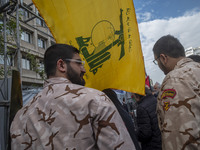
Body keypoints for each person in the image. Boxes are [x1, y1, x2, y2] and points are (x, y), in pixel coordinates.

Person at [10, 44, 136, 150]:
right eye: (79, 63)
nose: (84, 69)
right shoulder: (95, 100)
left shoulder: (20, 116)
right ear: (61, 65)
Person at [153, 35, 200, 150]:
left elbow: (181, 139)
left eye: (156, 61)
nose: (158, 65)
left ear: (163, 58)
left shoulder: (174, 80)